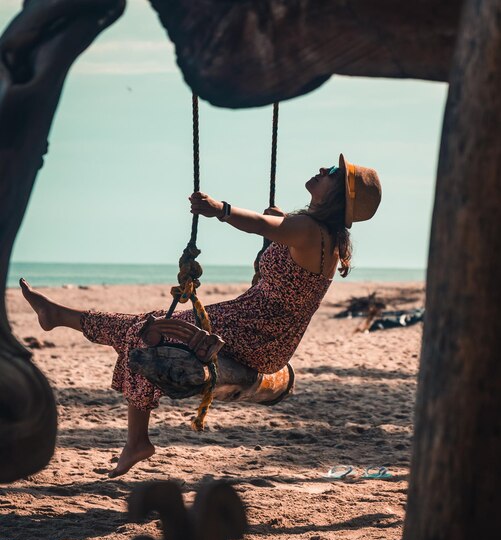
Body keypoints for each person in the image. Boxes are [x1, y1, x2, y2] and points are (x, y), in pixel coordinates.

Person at [20, 154, 381, 477]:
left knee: (147, 332)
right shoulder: (324, 238)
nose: (323, 169)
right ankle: (59, 315)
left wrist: (219, 208)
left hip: (251, 331)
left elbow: (258, 224)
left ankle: (135, 439)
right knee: (143, 328)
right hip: (266, 336)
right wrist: (277, 229)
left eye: (333, 172)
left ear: (336, 196)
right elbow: (277, 242)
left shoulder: (306, 229)